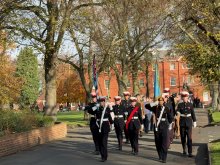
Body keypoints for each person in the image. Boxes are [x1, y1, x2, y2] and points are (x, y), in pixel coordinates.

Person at [145, 96, 173, 163]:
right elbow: (146, 106)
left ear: (163, 101)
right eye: (159, 101)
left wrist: (170, 124)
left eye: (161, 101)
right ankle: (160, 156)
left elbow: (170, 118)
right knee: (158, 142)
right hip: (157, 127)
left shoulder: (166, 108)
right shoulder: (155, 108)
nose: (160, 102)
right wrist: (154, 103)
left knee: (164, 142)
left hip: (164, 126)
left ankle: (164, 158)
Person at [176, 91, 197, 157]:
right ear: (182, 98)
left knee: (189, 138)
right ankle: (184, 149)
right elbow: (178, 111)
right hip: (182, 122)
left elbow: (193, 113)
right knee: (183, 137)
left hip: (189, 122)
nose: (185, 98)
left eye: (186, 97)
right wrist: (177, 112)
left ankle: (190, 152)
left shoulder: (190, 105)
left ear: (188, 97)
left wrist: (194, 121)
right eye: (183, 97)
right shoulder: (180, 105)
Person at [96, 96, 114, 162]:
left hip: (105, 127)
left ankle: (105, 156)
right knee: (100, 142)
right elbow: (90, 110)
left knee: (104, 142)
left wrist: (112, 123)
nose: (102, 103)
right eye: (100, 102)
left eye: (103, 102)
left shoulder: (107, 109)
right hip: (99, 127)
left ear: (104, 102)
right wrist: (95, 106)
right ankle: (102, 155)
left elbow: (110, 117)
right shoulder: (97, 109)